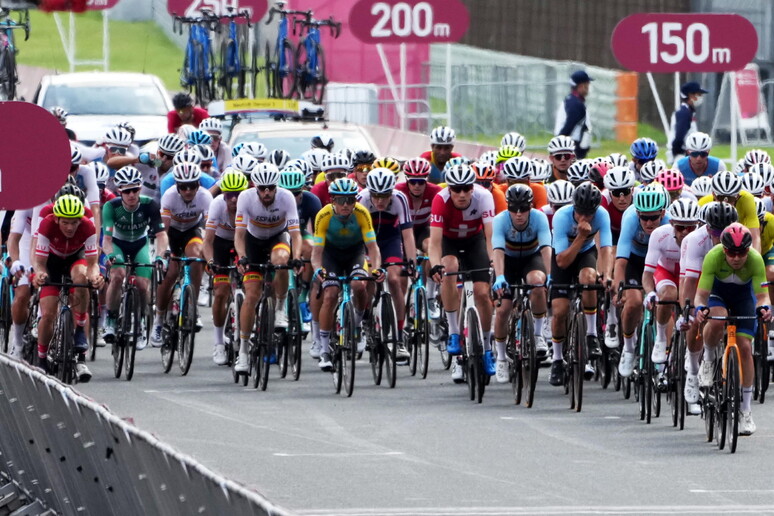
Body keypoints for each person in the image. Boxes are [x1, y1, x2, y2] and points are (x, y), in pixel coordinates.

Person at [694, 223, 772, 435]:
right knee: (718, 319)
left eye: (741, 253)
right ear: (724, 249)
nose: (736, 258)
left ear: (748, 250)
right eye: (731, 253)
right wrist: (700, 308)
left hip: (743, 297)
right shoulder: (713, 256)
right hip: (718, 294)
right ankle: (709, 359)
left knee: (745, 347)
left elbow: (762, 296)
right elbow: (701, 295)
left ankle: (746, 411)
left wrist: (764, 309)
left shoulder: (755, 260)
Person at [428, 164, 496, 382]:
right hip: (450, 242)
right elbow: (435, 243)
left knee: (482, 293)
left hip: (475, 241)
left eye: (466, 188)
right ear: (450, 189)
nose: (462, 194)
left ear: (472, 188)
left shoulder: (484, 197)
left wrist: (494, 262)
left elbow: (490, 236)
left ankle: (486, 348)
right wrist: (435, 265)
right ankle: (455, 334)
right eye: (456, 189)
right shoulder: (441, 200)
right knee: (449, 267)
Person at [233, 164, 303, 372]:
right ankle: (243, 353)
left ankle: (280, 309)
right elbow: (239, 235)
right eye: (262, 188)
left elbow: (296, 235)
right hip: (253, 242)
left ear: (276, 186)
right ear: (255, 187)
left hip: (277, 238)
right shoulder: (245, 198)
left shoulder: (286, 197)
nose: (266, 192)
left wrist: (297, 257)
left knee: (282, 260)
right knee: (252, 295)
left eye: (271, 188)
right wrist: (242, 257)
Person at [311, 178, 382, 371]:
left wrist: (376, 269)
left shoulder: (361, 213)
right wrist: (318, 269)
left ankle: (356, 327)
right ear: (332, 200)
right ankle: (324, 350)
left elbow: (373, 248)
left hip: (354, 254)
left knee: (359, 285)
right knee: (331, 294)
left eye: (350, 200)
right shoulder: (323, 215)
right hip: (330, 255)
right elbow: (317, 253)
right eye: (341, 200)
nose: (346, 205)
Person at [33, 195, 104, 382]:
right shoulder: (47, 225)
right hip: (52, 262)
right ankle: (41, 359)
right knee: (48, 314)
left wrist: (95, 277)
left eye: (74, 222)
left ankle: (80, 329)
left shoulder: (88, 226)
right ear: (56, 219)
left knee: (81, 278)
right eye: (65, 223)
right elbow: (39, 262)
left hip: (75, 258)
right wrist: (40, 274)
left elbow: (92, 263)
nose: (70, 227)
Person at [549, 182, 612, 386]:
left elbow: (605, 248)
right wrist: (582, 236)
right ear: (573, 208)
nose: (585, 218)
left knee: (589, 278)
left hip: (586, 253)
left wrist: (606, 274)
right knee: (560, 311)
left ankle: (591, 334)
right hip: (563, 256)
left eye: (589, 214)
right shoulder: (561, 217)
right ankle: (557, 359)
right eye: (580, 213)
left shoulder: (602, 215)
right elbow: (562, 261)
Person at [680, 201, 737, 414]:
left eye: (724, 231)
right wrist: (688, 312)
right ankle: (693, 373)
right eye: (715, 231)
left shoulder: (739, 239)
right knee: (697, 317)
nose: (719, 236)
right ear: (706, 227)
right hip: (699, 281)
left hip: (727, 282)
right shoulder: (696, 240)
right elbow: (690, 284)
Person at [101, 167, 168, 349]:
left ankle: (141, 322)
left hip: (140, 244)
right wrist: (111, 255)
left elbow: (161, 235)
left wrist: (161, 256)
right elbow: (106, 240)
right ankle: (111, 320)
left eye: (135, 190)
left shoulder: (150, 205)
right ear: (119, 192)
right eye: (126, 191)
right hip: (118, 244)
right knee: (117, 275)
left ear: (140, 189)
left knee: (142, 285)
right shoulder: (111, 207)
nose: (131, 195)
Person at [491, 184, 551, 383]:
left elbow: (545, 249)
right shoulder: (500, 220)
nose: (519, 214)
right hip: (507, 262)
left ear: (530, 207)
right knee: (503, 309)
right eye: (514, 209)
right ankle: (500, 357)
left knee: (537, 282)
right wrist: (499, 277)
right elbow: (498, 251)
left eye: (523, 209)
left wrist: (550, 274)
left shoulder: (539, 218)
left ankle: (538, 334)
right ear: (507, 207)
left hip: (530, 259)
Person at [357, 168, 416, 361]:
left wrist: (412, 262)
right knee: (368, 280)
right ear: (369, 192)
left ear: (392, 192)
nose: (380, 200)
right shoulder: (362, 199)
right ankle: (366, 317)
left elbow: (407, 235)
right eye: (376, 196)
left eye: (384, 196)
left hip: (390, 240)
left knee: (394, 279)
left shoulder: (400, 199)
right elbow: (357, 235)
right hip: (366, 242)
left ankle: (399, 337)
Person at [152, 163, 213, 345]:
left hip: (191, 231)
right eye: (183, 187)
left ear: (198, 184)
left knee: (196, 255)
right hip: (171, 233)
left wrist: (209, 255)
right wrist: (164, 254)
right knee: (170, 273)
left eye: (192, 186)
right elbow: (164, 231)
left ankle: (192, 305)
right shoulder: (169, 196)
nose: (188, 191)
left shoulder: (205, 196)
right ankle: (159, 319)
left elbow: (209, 230)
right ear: (177, 186)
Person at [615, 185, 671, 378]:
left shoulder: (670, 222)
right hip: (635, 261)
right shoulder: (630, 218)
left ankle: (666, 355)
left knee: (666, 303)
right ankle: (629, 349)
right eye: (644, 217)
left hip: (660, 263)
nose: (648, 222)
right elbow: (621, 260)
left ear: (663, 213)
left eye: (654, 217)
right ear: (637, 213)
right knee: (634, 302)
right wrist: (618, 291)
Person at [642, 199, 700, 367]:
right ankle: (661, 338)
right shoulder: (660, 235)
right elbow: (648, 273)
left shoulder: (701, 239)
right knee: (668, 294)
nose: (685, 233)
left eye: (690, 227)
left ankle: (693, 352)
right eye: (681, 227)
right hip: (666, 273)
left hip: (689, 277)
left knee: (696, 310)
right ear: (672, 223)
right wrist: (650, 292)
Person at [203, 170, 248, 365]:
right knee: (220, 291)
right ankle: (219, 343)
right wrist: (211, 261)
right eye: (229, 194)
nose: (234, 199)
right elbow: (207, 241)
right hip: (221, 244)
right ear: (223, 194)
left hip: (244, 243)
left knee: (252, 285)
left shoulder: (248, 203)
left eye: (238, 194)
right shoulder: (216, 205)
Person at [555, 70, 594, 159]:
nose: (588, 87)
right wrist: (560, 145)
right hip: (572, 146)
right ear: (581, 86)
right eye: (587, 84)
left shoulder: (572, 100)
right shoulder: (575, 104)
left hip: (570, 145)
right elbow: (569, 125)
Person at [667, 81, 708, 164]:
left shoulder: (688, 111)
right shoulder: (684, 113)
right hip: (682, 154)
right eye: (699, 94)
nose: (701, 97)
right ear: (691, 95)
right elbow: (679, 136)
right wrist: (678, 153)